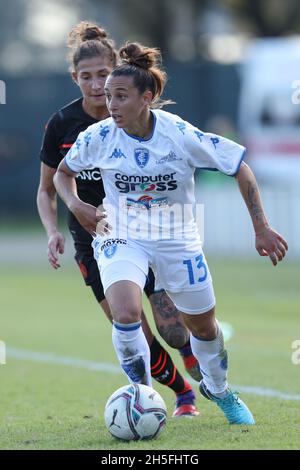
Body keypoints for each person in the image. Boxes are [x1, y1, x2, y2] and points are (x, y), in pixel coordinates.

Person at [54, 41, 288, 425]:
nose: (110, 104)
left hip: (176, 236)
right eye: (109, 96)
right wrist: (78, 204)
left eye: (121, 97)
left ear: (147, 98)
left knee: (202, 328)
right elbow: (64, 173)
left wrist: (261, 227)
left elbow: (239, 166)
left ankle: (220, 389)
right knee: (125, 313)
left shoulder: (179, 134)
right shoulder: (98, 136)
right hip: (120, 233)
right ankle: (142, 397)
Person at [37, 22, 201, 418]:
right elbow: (47, 187)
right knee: (133, 330)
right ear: (74, 78)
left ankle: (195, 356)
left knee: (173, 327)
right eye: (86, 77)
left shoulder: (138, 115)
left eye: (103, 76)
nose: (96, 86)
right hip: (95, 243)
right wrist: (59, 224)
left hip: (146, 232)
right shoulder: (62, 125)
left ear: (118, 71)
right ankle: (182, 395)